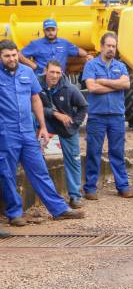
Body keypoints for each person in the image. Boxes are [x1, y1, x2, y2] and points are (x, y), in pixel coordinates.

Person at [0, 40, 84, 225]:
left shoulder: (27, 72)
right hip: (6, 134)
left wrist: (43, 127)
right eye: (7, 56)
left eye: (14, 54)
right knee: (7, 173)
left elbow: (35, 99)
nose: (12, 59)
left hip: (27, 132)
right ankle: (14, 214)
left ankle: (59, 209)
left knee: (39, 170)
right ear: (1, 57)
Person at [82, 32, 133, 199]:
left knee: (117, 152)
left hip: (117, 116)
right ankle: (90, 188)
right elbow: (92, 88)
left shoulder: (121, 66)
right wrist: (116, 85)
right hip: (97, 116)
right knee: (93, 152)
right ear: (102, 46)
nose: (111, 49)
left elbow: (126, 83)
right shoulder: (91, 65)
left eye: (114, 46)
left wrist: (102, 81)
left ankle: (123, 187)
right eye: (108, 45)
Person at [38, 60, 88, 209]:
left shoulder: (70, 89)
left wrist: (75, 124)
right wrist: (55, 113)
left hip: (66, 128)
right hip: (44, 124)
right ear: (45, 70)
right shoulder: (36, 85)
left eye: (58, 73)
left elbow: (83, 107)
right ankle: (44, 197)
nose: (54, 75)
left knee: (73, 160)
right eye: (52, 72)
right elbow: (34, 105)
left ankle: (75, 196)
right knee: (34, 158)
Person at [18, 19, 92, 76]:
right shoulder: (36, 44)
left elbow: (78, 51)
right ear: (44, 31)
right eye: (48, 30)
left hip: (60, 77)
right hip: (42, 77)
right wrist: (34, 66)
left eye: (53, 30)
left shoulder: (64, 43)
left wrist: (87, 55)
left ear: (57, 30)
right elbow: (19, 55)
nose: (50, 32)